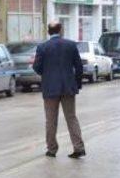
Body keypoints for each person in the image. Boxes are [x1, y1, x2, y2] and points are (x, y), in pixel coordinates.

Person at [33, 21, 86, 159]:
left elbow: (36, 67)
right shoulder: (70, 45)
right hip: (68, 87)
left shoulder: (43, 47)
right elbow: (79, 67)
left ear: (48, 31)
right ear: (60, 30)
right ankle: (78, 147)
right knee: (71, 118)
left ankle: (52, 149)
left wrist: (47, 75)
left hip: (50, 89)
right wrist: (77, 84)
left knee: (50, 120)